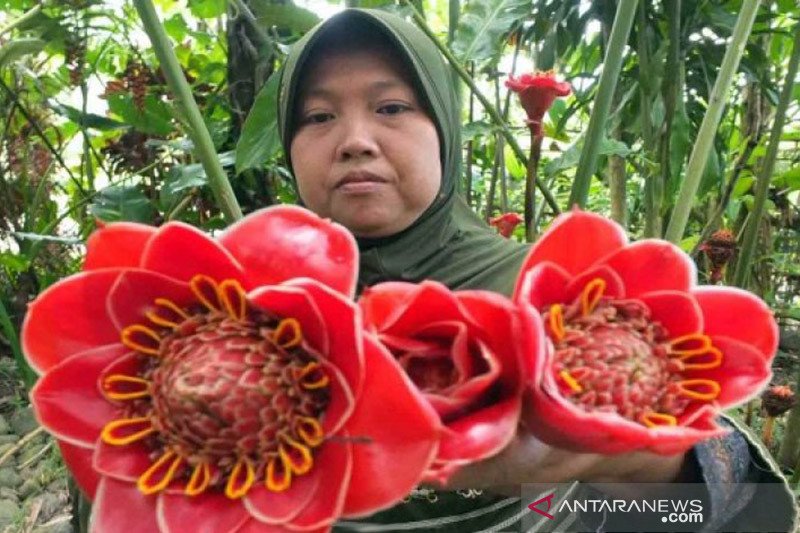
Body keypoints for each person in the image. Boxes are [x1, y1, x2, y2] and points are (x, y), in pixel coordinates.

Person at [277, 8, 797, 532]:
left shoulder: (557, 289)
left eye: (391, 107)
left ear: (445, 131)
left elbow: (738, 509)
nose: (355, 140)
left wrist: (639, 464)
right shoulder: (250, 302)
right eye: (319, 117)